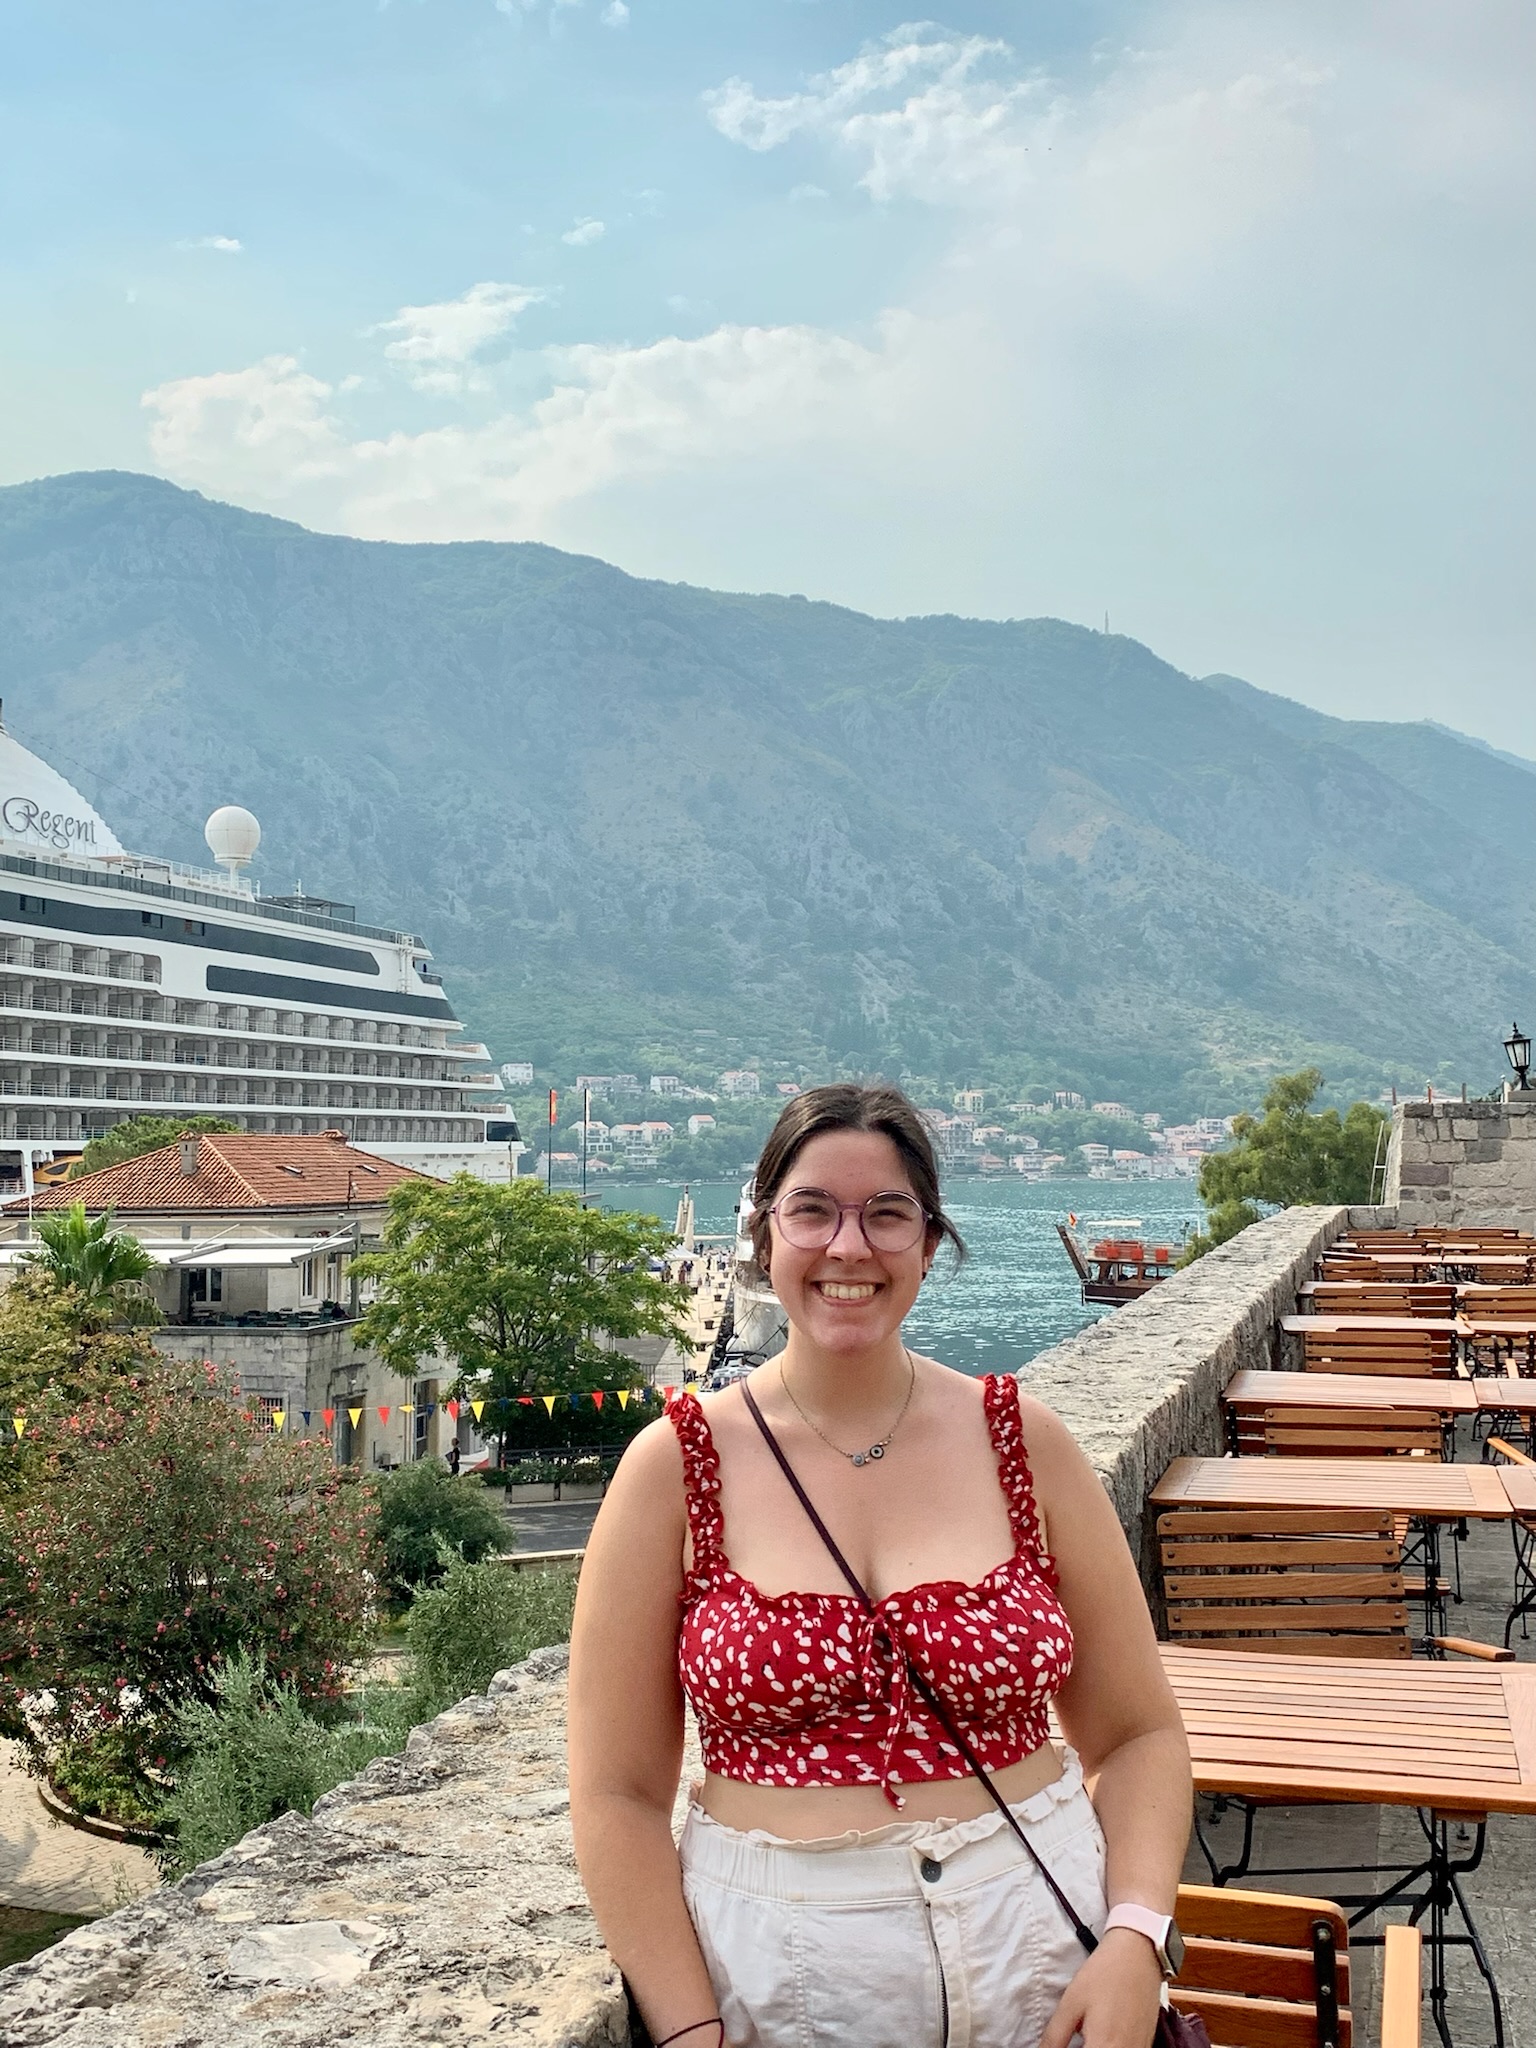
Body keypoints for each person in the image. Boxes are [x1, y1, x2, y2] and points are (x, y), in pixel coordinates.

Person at [570, 1083, 1191, 2048]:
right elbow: (617, 1792)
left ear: (930, 1243)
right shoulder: (674, 1468)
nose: (848, 1247)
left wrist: (1137, 1937)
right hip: (779, 1973)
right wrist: (690, 2031)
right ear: (764, 1235)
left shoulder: (1023, 1442)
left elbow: (1139, 1734)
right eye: (811, 1210)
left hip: (1042, 1946)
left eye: (887, 1214)